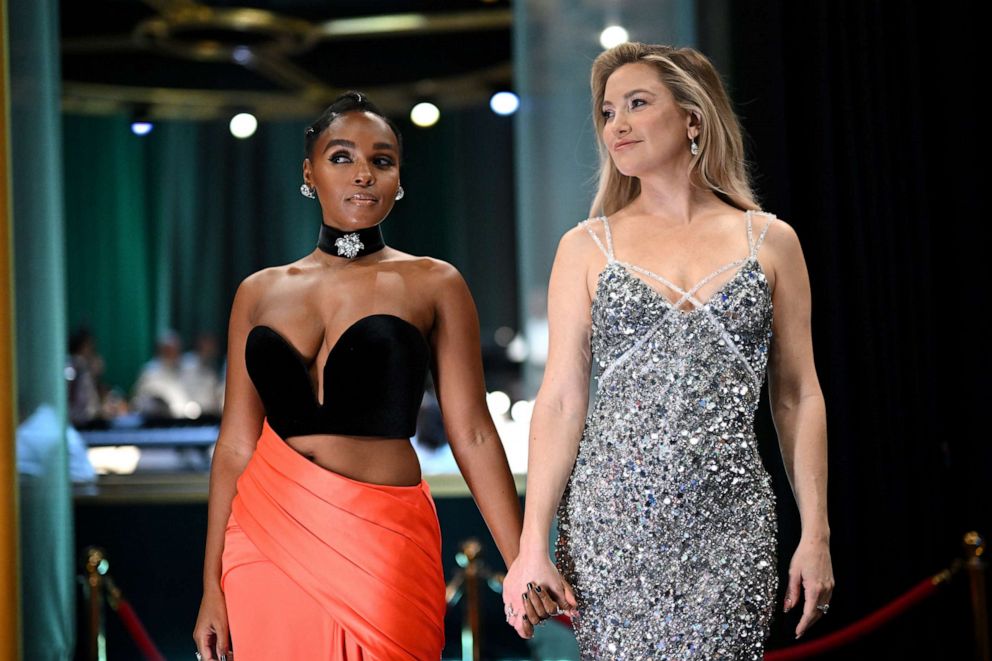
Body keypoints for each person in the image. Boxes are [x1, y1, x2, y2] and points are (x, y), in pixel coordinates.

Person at [502, 43, 835, 657]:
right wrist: (531, 546)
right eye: (607, 112)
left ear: (692, 118)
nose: (617, 125)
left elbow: (797, 395)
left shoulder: (772, 240)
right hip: (611, 527)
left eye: (636, 103)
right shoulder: (585, 246)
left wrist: (816, 532)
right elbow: (560, 402)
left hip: (731, 526)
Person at [193, 91, 529, 660]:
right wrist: (211, 586)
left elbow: (471, 433)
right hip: (263, 538)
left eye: (382, 160)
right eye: (342, 157)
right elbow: (233, 447)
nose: (364, 174)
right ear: (310, 172)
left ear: (398, 178)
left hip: (382, 541)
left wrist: (523, 560)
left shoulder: (435, 283)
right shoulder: (258, 292)